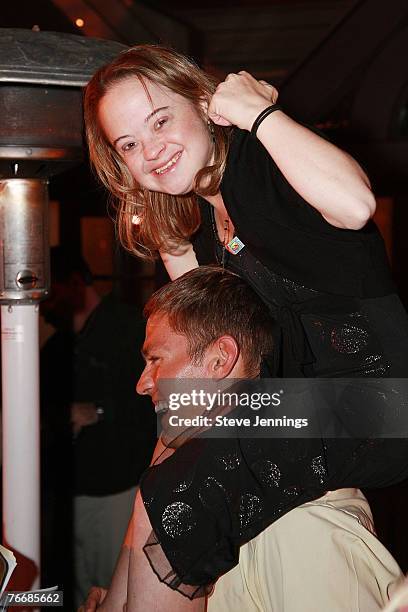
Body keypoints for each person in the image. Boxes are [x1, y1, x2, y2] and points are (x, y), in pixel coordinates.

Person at [83, 44, 408, 590]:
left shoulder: (260, 164)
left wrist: (258, 112)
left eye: (160, 120)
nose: (152, 150)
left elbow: (355, 205)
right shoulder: (205, 226)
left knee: (180, 494)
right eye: (130, 144)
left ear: (203, 103)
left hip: (383, 402)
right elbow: (200, 334)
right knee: (158, 481)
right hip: (302, 408)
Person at [80, 266, 404, 612]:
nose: (142, 384)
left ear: (221, 359)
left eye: (155, 359)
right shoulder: (213, 497)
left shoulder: (300, 527)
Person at [40, 246, 156, 608]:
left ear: (75, 282)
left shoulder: (128, 327)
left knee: (112, 587)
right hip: (69, 489)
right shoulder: (57, 343)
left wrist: (100, 410)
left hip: (115, 487)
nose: (45, 303)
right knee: (76, 587)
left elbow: (154, 403)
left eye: (52, 291)